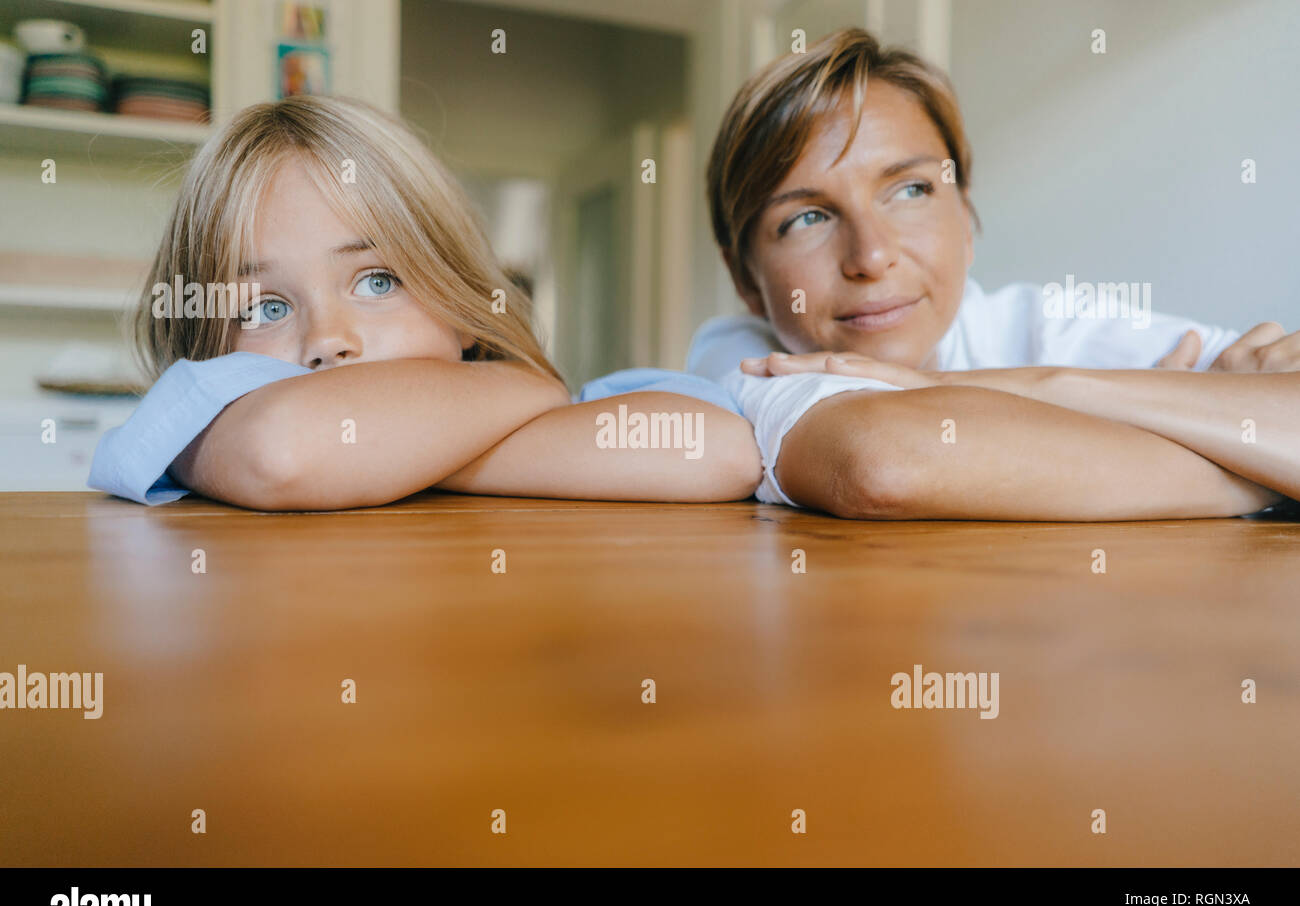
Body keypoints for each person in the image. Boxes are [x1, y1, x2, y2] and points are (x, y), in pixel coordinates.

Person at [687, 27, 1299, 520]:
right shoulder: (741, 356)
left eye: (911, 189)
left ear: (966, 215)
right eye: (808, 218)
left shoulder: (1044, 324)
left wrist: (1062, 388)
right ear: (744, 278)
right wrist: (1257, 467)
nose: (871, 258)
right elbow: (884, 462)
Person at [89, 95, 760, 510]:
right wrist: (523, 390)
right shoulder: (207, 405)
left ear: (462, 310)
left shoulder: (509, 403)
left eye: (377, 281)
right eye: (264, 308)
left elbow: (719, 448)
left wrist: (414, 445)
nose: (330, 339)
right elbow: (282, 448)